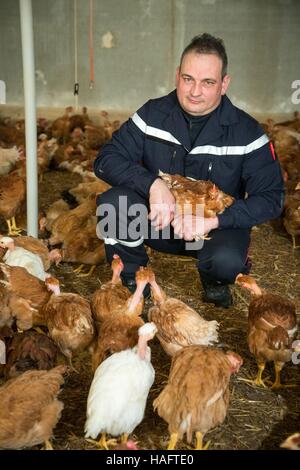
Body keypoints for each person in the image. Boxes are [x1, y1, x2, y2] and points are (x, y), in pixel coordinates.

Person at [94, 33, 284, 308]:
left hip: (211, 232)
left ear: (224, 84)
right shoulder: (151, 115)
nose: (195, 92)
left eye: (207, 82)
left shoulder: (247, 132)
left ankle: (216, 281)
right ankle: (133, 278)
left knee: (226, 260)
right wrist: (153, 186)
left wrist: (213, 221)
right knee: (113, 206)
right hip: (159, 222)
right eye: (188, 79)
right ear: (177, 76)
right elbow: (106, 159)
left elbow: (272, 198)